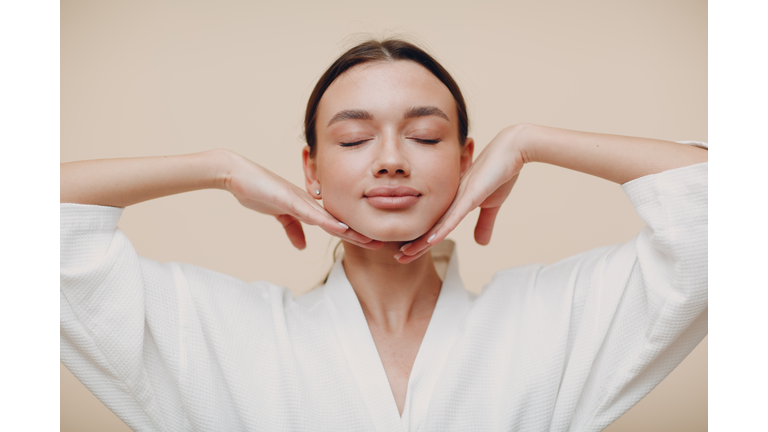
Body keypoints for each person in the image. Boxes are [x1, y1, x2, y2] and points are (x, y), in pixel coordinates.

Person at [60, 39, 708, 431]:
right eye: (353, 138)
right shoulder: (220, 331)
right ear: (310, 168)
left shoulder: (547, 319)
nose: (392, 159)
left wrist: (532, 142)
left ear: (467, 159)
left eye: (426, 136)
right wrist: (218, 168)